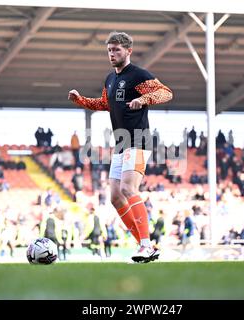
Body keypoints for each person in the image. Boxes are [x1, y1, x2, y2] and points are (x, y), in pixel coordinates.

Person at [69, 31, 172, 263]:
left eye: (116, 50)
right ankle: (145, 246)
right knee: (115, 196)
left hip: (138, 139)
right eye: (109, 50)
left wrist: (143, 100)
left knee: (128, 189)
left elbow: (165, 93)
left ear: (128, 51)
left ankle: (146, 245)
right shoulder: (110, 79)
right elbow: (105, 103)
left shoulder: (138, 75)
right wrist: (81, 101)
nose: (112, 54)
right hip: (121, 144)